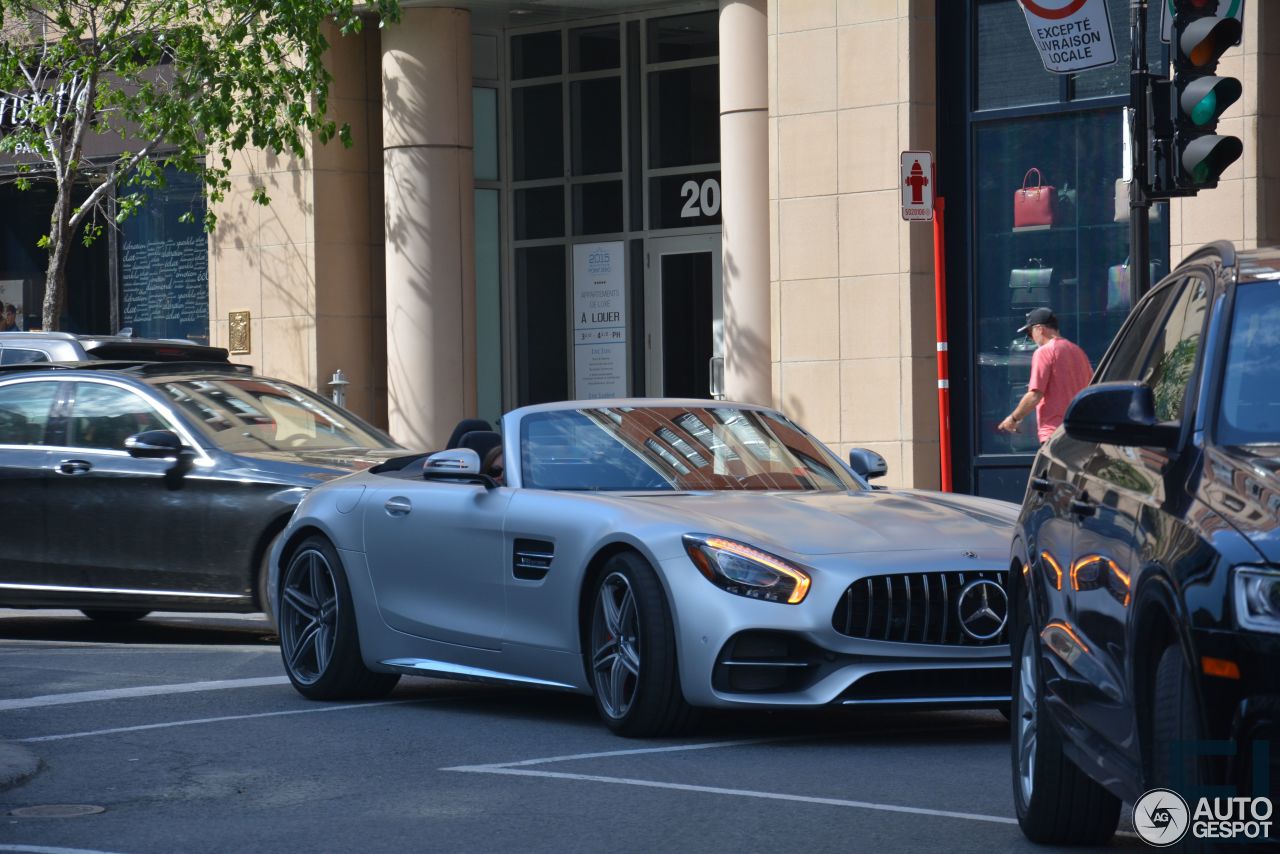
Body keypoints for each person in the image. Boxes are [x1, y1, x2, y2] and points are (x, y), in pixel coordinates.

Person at [998, 307, 1093, 443]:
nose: (1031, 338)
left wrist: (1013, 418)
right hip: (1081, 433)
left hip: (1056, 433)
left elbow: (1035, 394)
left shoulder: (1044, 352)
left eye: (1030, 333)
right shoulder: (1078, 352)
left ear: (1039, 329)